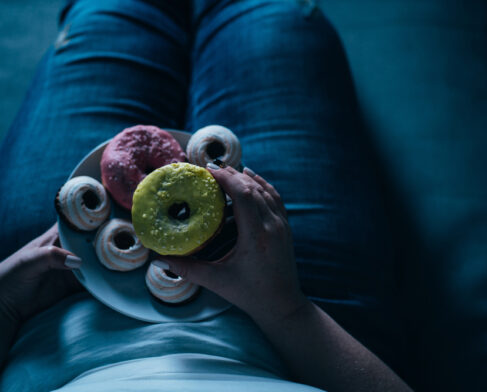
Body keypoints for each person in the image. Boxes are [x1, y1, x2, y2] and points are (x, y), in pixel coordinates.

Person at [0, 0, 411, 390]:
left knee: (107, 16)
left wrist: (6, 303)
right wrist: (288, 309)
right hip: (303, 313)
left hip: (52, 297)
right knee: (267, 18)